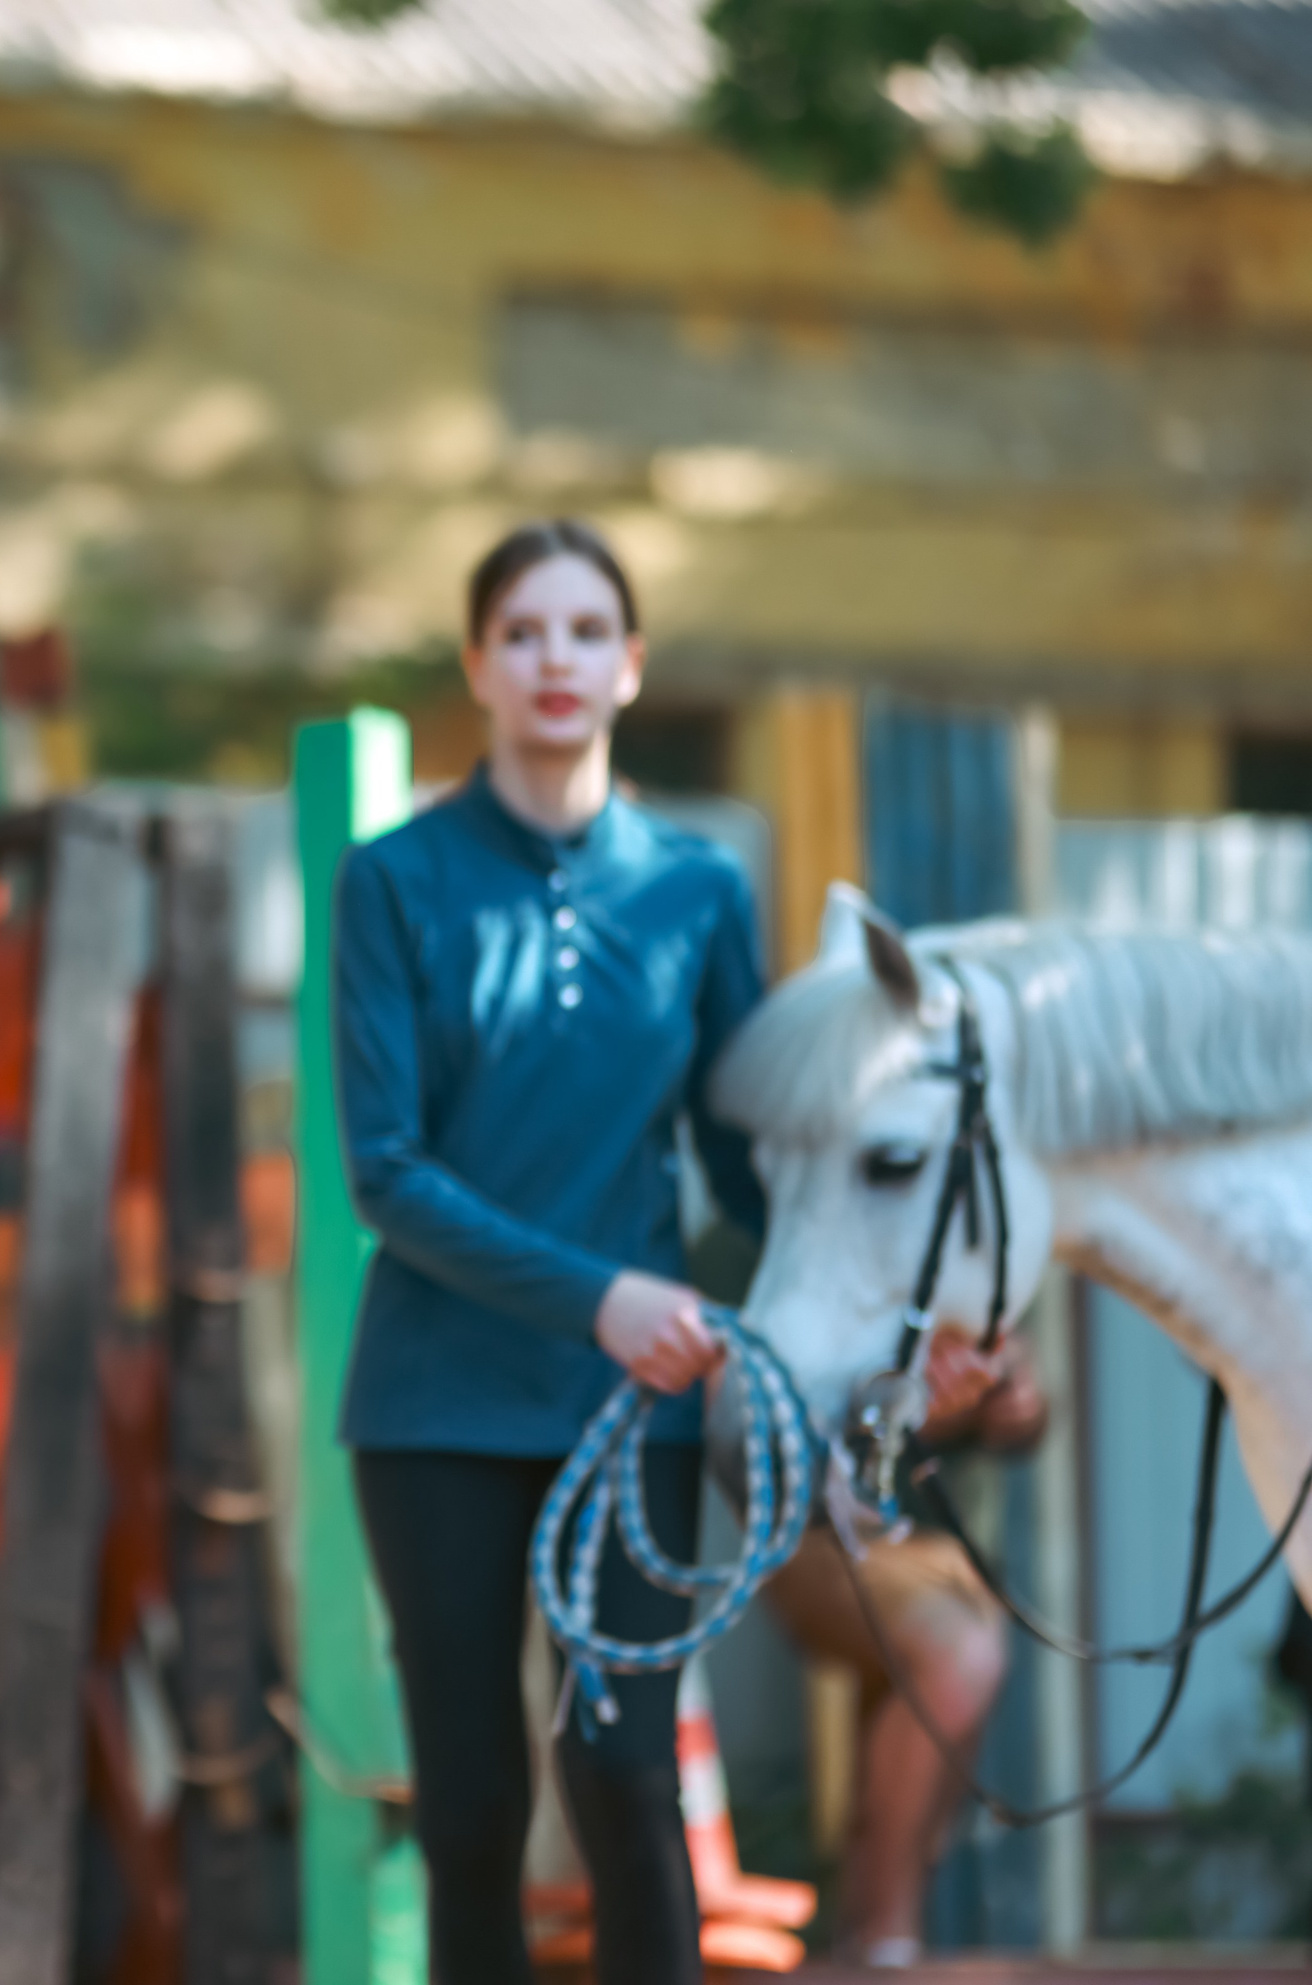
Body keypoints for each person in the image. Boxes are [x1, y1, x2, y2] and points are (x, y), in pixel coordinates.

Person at [334, 519, 766, 1985]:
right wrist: (607, 1298)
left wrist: (892, 1314)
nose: (555, 660)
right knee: (471, 1810)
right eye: (522, 633)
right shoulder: (393, 880)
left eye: (587, 632)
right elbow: (386, 1175)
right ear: (480, 666)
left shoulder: (700, 891)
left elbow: (748, 1171)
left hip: (632, 1412)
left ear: (632, 665)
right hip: (434, 1406)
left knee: (629, 1784)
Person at [760, 1328, 1046, 1968]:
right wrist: (909, 1408)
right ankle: (884, 1931)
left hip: (949, 1557)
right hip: (823, 1533)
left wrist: (1016, 1394)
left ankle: (877, 1928)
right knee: (960, 1657)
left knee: (940, 1702)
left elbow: (1022, 1406)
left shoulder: (977, 1259)